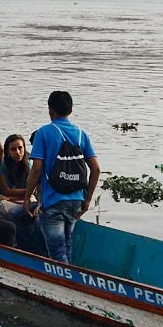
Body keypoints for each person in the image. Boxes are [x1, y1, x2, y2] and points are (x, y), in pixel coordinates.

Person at [26, 90, 100, 264]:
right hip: (76, 200)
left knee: (57, 252)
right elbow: (96, 169)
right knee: (66, 245)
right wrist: (87, 199)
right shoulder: (82, 134)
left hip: (53, 201)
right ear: (71, 111)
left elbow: (36, 169)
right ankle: (69, 280)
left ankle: (63, 285)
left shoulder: (43, 133)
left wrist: (26, 198)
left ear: (50, 110)